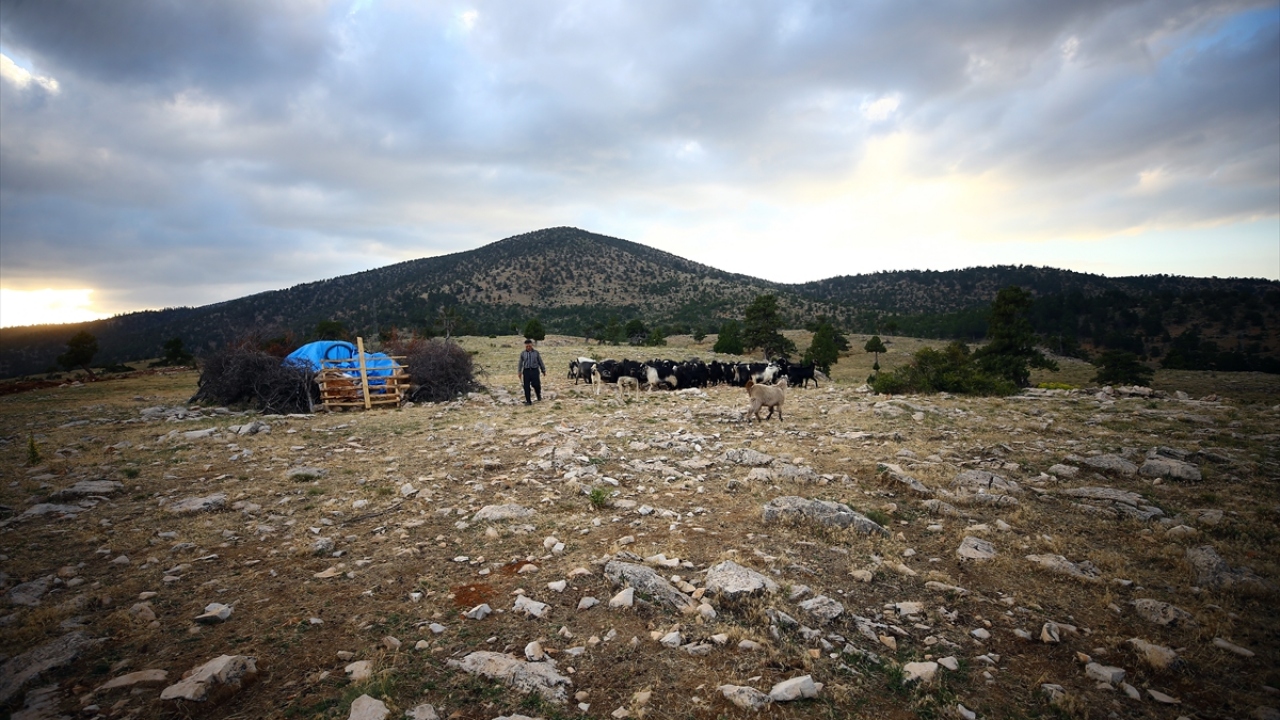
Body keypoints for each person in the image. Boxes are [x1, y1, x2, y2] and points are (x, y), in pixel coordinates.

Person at [517, 338, 546, 405]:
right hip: (526, 371)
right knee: (526, 386)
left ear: (532, 345)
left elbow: (540, 361)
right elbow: (520, 363)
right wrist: (519, 371)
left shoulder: (536, 353)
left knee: (536, 385)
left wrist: (543, 370)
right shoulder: (523, 354)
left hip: (535, 371)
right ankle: (528, 401)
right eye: (527, 346)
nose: (528, 347)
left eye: (529, 346)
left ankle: (538, 395)